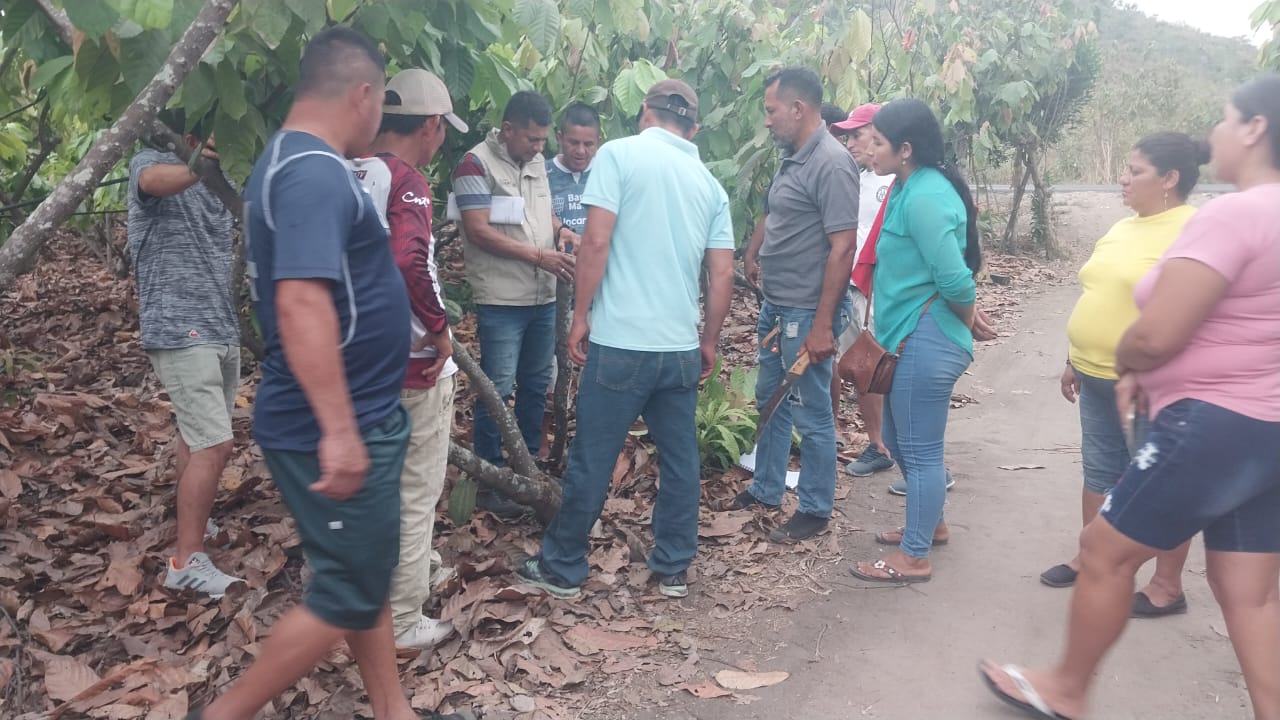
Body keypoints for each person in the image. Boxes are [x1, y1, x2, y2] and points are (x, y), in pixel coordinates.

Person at [980, 73, 1280, 720]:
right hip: (1266, 431)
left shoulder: (1233, 213)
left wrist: (1129, 363)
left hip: (1209, 423)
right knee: (1248, 592)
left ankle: (1066, 688)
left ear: (1255, 129)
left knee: (1104, 550)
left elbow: (1156, 333)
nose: (1215, 134)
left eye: (1225, 119)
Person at [187, 28, 461, 720]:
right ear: (363, 94)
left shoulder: (297, 161)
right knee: (345, 591)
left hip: (356, 409)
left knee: (361, 572)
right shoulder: (311, 171)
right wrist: (339, 431)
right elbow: (302, 300)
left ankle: (393, 711)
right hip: (328, 421)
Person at [515, 79, 735, 599]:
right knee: (680, 459)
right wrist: (708, 340)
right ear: (693, 129)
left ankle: (563, 566)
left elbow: (595, 240)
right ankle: (674, 567)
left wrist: (581, 315)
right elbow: (722, 274)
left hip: (621, 343)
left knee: (594, 455)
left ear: (645, 114)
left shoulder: (618, 155)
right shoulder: (710, 185)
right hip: (678, 347)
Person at [1040, 133, 1206, 621]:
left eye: (1135, 171)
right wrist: (1073, 358)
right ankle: (1092, 560)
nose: (1122, 178)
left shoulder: (1194, 231)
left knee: (1161, 483)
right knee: (1098, 470)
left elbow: (1197, 313)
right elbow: (1098, 294)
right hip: (1093, 376)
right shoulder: (1122, 227)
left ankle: (1167, 585)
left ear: (1169, 178)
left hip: (1153, 384)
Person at [351, 68, 469, 650]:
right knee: (416, 491)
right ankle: (400, 619)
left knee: (375, 486)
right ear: (430, 127)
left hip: (356, 359)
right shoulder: (407, 181)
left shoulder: (344, 170)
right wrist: (439, 327)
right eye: (442, 130)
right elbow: (408, 258)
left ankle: (390, 582)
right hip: (412, 361)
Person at [848, 99, 979, 584]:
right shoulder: (907, 187)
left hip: (926, 337)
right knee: (899, 439)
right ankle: (930, 524)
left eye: (878, 143)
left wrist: (968, 318)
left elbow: (956, 280)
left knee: (920, 451)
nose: (869, 150)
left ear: (905, 149)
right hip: (910, 332)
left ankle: (914, 556)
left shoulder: (925, 197)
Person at [730, 67, 857, 543]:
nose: (767, 120)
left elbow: (843, 247)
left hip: (806, 313)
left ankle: (815, 508)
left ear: (798, 109)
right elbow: (776, 210)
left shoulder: (832, 163)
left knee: (810, 411)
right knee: (771, 400)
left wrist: (822, 325)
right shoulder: (793, 156)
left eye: (771, 110)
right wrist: (753, 251)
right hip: (777, 306)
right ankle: (766, 488)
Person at [127, 112, 244, 598]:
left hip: (219, 323)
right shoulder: (150, 162)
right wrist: (200, 164)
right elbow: (153, 181)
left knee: (196, 439)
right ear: (190, 137)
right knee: (215, 444)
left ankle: (196, 524)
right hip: (180, 327)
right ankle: (185, 563)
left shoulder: (223, 180)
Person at [453, 91, 576, 518]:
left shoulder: (536, 161)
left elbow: (541, 214)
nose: (540, 148)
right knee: (497, 388)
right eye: (532, 139)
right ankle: (491, 478)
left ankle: (528, 470)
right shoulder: (474, 164)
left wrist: (561, 231)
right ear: (507, 130)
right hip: (503, 297)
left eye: (543, 140)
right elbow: (477, 229)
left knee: (536, 384)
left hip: (543, 294)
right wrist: (539, 256)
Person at [828, 104, 897, 478]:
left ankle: (890, 446)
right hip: (855, 287)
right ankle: (879, 443)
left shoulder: (896, 182)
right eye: (847, 136)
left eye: (857, 134)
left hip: (880, 291)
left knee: (879, 366)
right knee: (862, 366)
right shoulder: (860, 179)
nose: (850, 142)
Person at [547, 102, 601, 238]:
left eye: (588, 144)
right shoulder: (542, 173)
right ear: (560, 138)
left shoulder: (606, 173)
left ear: (598, 142)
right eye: (573, 143)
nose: (581, 151)